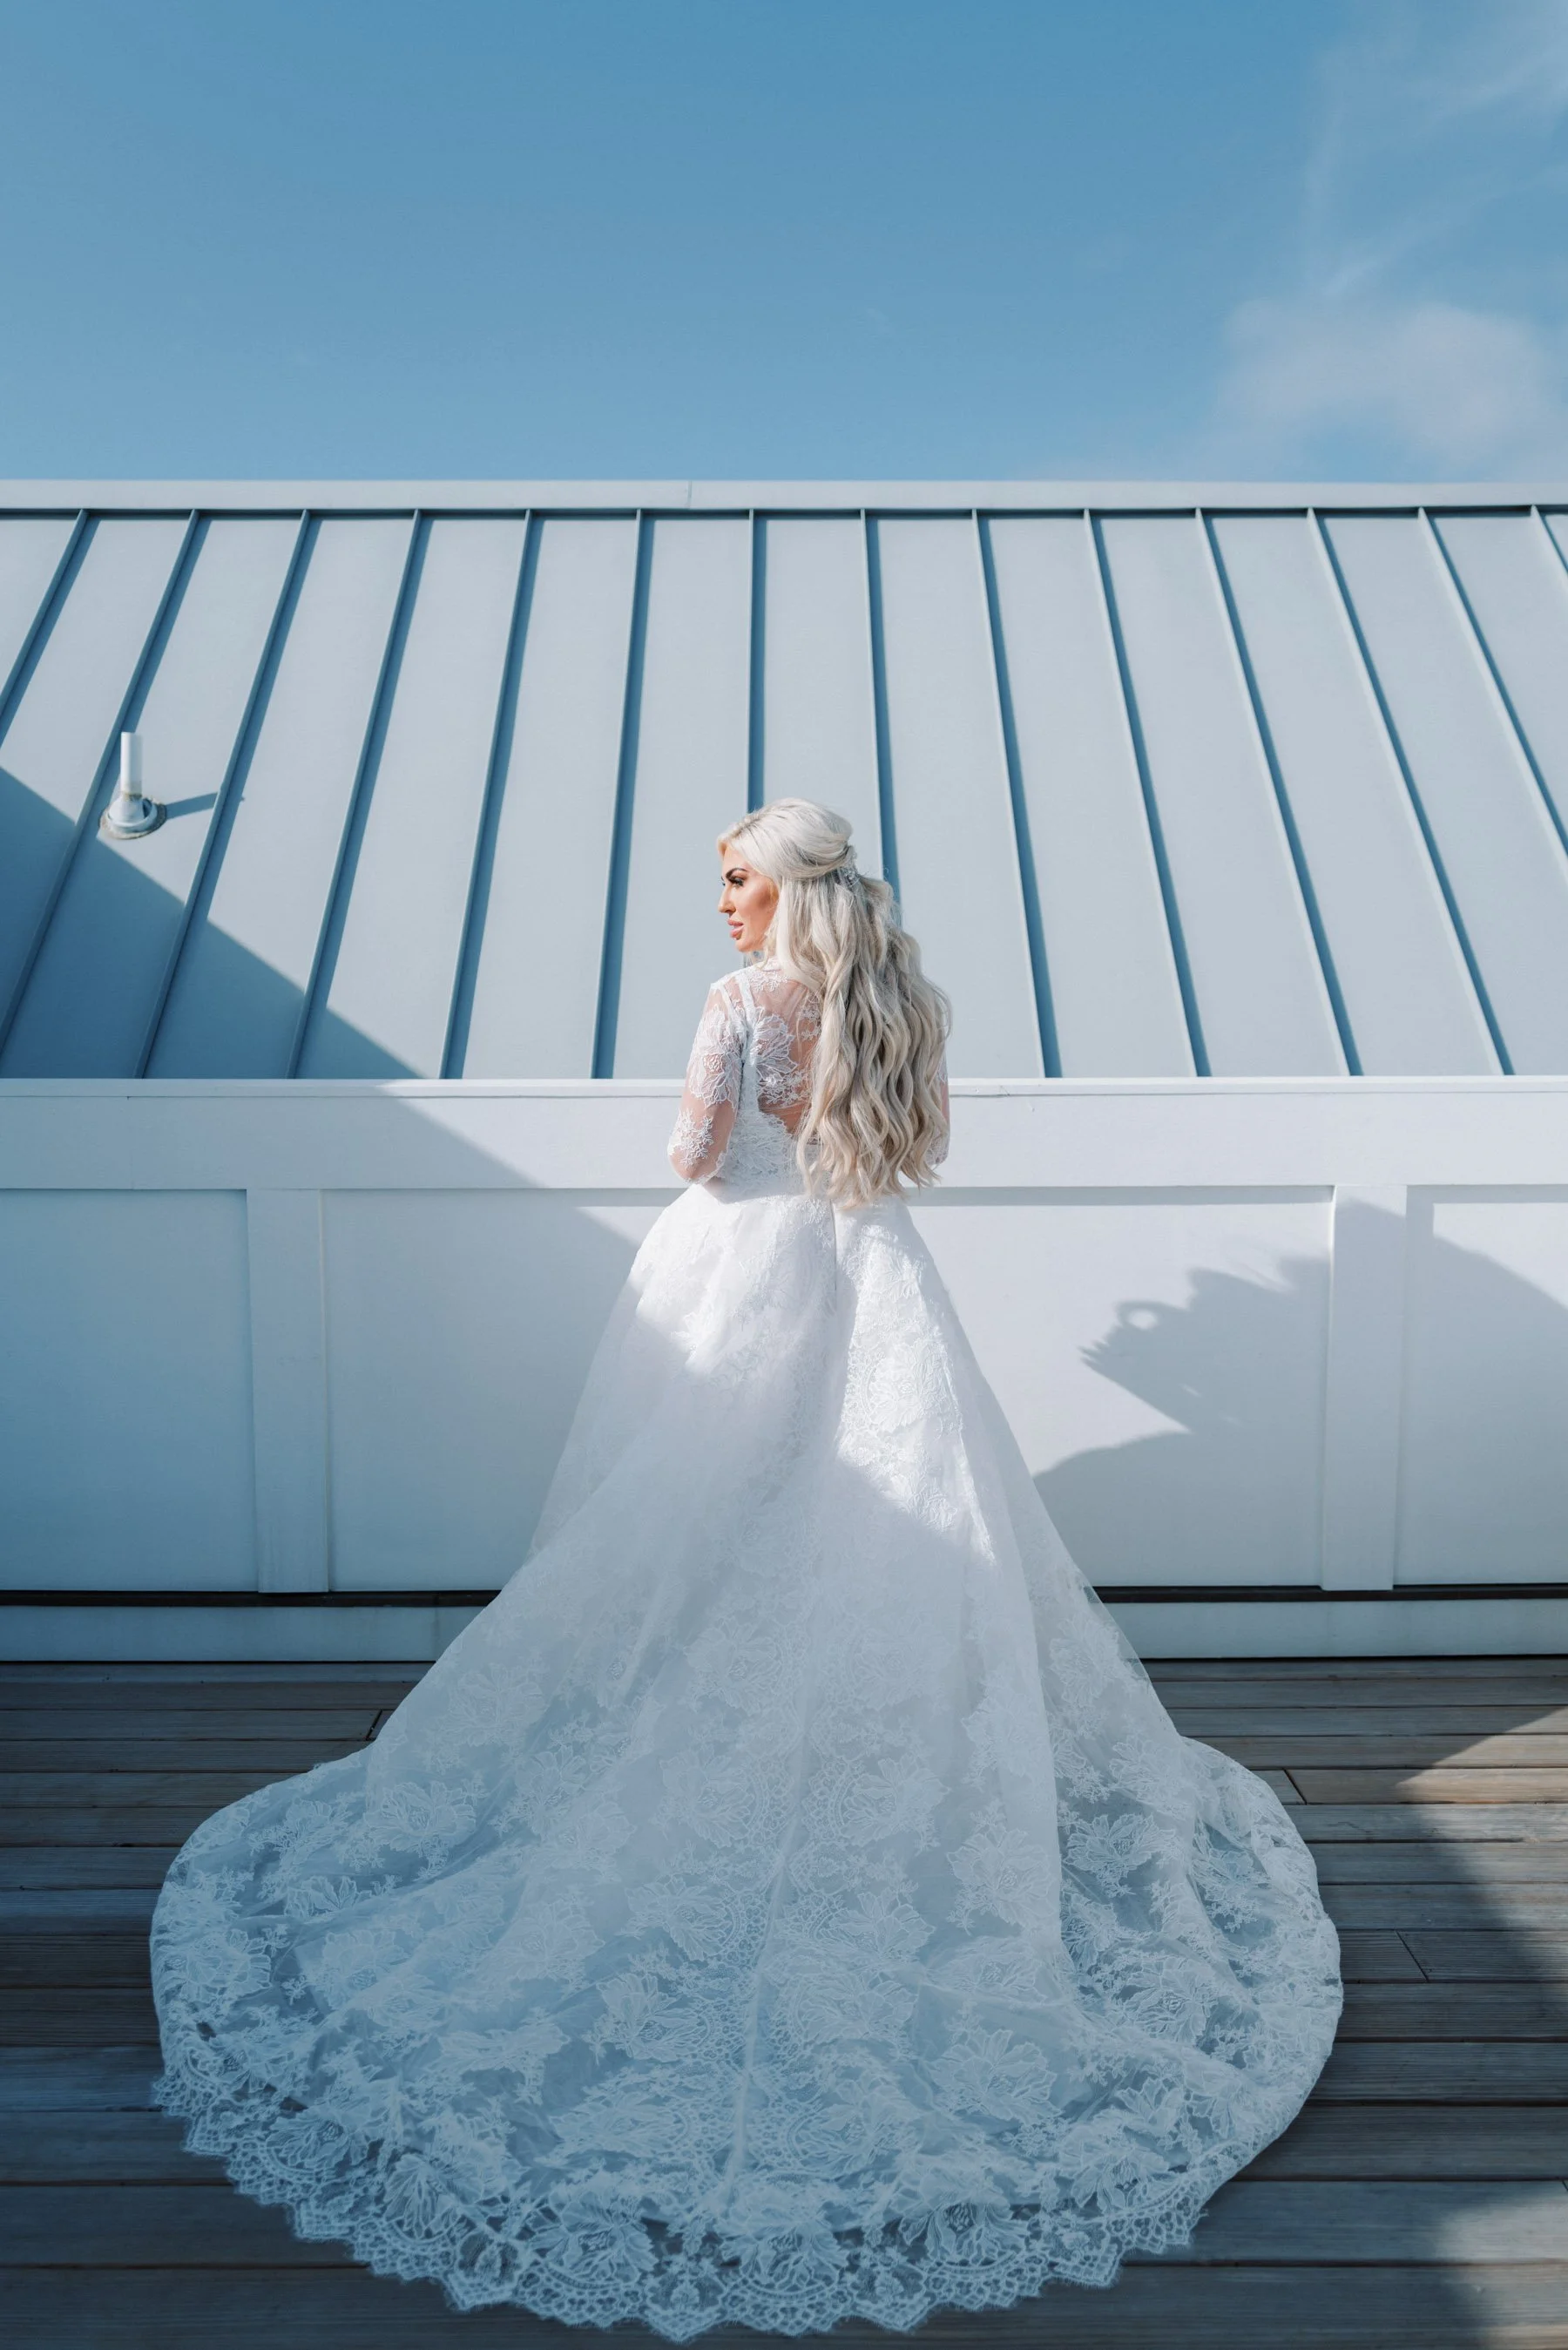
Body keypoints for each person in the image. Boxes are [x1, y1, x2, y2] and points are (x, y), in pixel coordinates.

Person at [152, 797, 1341, 2340]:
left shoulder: (737, 1004)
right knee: (880, 1521)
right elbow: (907, 1146)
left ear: (785, 888)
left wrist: (701, 1138)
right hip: (871, 1266)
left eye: (737, 877)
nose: (722, 901)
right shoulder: (890, 997)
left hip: (744, 1270)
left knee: (693, 1523)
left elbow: (695, 1153)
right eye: (719, 880)